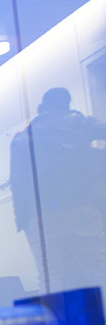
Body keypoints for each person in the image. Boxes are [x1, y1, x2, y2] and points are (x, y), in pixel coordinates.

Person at [9, 87, 106, 292]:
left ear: (40, 108)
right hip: (83, 207)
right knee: (98, 269)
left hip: (41, 216)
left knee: (49, 276)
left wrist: (23, 221)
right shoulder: (79, 124)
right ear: (67, 106)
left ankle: (58, 323)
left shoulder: (23, 138)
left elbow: (18, 183)